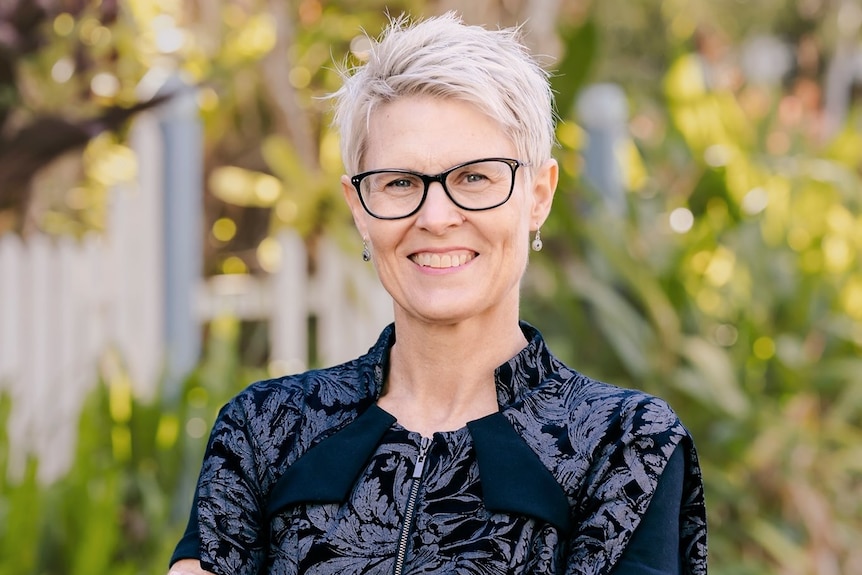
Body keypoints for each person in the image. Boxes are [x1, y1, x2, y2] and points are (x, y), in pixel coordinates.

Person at [168, 11, 707, 575]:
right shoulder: (264, 429)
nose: (437, 216)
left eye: (475, 177)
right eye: (400, 182)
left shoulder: (625, 445)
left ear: (538, 196)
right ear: (359, 210)